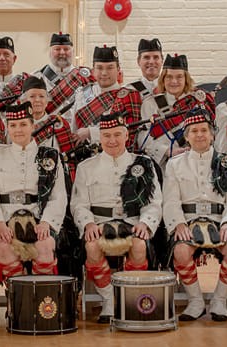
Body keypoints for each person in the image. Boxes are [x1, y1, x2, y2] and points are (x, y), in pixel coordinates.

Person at [71, 112, 162, 323]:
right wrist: (88, 223)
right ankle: (109, 301)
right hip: (100, 223)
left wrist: (145, 224)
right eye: (106, 135)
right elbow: (79, 204)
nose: (112, 140)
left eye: (117, 135)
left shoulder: (144, 164)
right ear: (99, 138)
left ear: (126, 136)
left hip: (132, 222)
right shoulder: (86, 168)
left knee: (139, 246)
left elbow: (154, 202)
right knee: (92, 247)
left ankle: (128, 298)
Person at [163, 110, 227, 322]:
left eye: (203, 130)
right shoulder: (174, 164)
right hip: (188, 220)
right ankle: (196, 301)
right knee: (181, 251)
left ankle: (220, 300)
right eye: (194, 131)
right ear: (187, 136)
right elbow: (170, 200)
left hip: (219, 220)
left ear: (212, 134)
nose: (199, 135)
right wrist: (178, 224)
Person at [0, 102, 68, 279]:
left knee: (45, 245)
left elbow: (58, 195)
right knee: (3, 248)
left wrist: (46, 223)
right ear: (7, 127)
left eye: (23, 124)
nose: (18, 130)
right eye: (13, 125)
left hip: (39, 217)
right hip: (4, 218)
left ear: (32, 126)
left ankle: (42, 301)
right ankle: (19, 302)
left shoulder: (49, 155)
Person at [137, 53, 216, 168]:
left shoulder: (198, 102)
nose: (174, 81)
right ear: (163, 79)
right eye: (169, 77)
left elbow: (212, 133)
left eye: (179, 77)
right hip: (163, 166)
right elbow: (142, 136)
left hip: (197, 163)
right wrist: (167, 151)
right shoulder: (150, 104)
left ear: (186, 79)